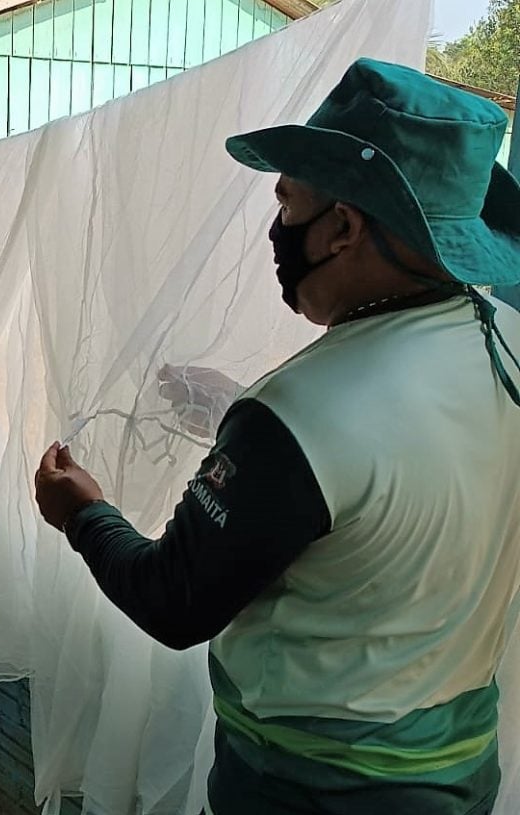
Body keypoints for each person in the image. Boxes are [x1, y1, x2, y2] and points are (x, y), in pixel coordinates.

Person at [34, 58, 520, 815]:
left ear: (344, 227)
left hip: (309, 791)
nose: (277, 230)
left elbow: (175, 599)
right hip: (459, 772)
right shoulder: (503, 345)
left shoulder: (300, 412)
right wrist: (237, 417)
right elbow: (391, 476)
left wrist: (82, 512)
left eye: (289, 202)